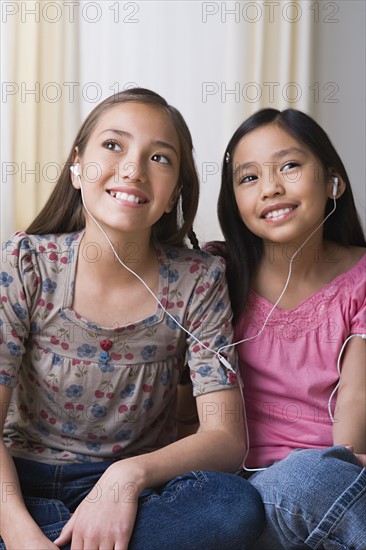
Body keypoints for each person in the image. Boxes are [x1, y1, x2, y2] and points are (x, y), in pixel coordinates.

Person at [0, 88, 265, 550]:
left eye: (159, 157)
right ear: (77, 166)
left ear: (173, 196)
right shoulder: (26, 263)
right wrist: (21, 534)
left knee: (232, 505)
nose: (133, 169)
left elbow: (225, 438)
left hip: (132, 498)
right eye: (113, 145)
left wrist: (126, 477)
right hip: (18, 486)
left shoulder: (198, 279)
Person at [212, 107, 366, 549]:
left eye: (290, 166)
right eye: (249, 178)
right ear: (235, 202)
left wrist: (339, 470)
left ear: (333, 180)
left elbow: (356, 397)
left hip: (336, 479)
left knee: (315, 475)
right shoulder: (218, 274)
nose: (271, 188)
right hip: (242, 492)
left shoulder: (360, 279)